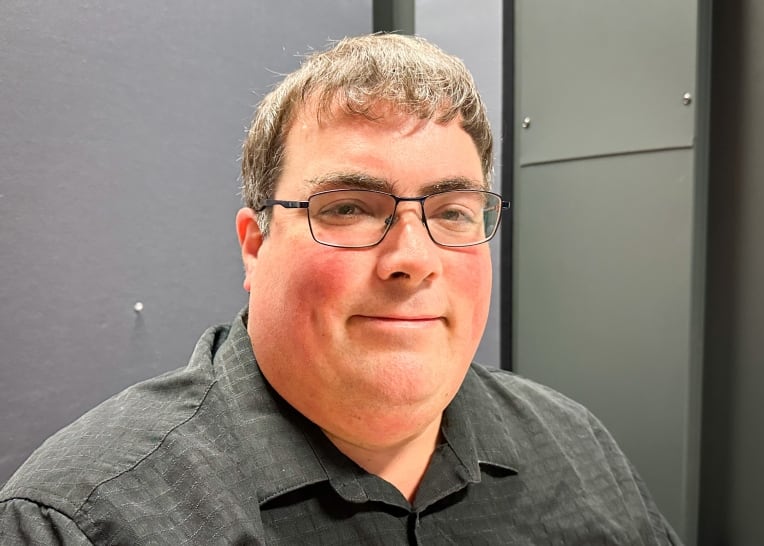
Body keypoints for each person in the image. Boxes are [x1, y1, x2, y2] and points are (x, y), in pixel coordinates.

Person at [0, 33, 681, 545]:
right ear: (256, 244)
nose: (412, 260)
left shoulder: (577, 450)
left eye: (451, 212)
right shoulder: (79, 522)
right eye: (350, 208)